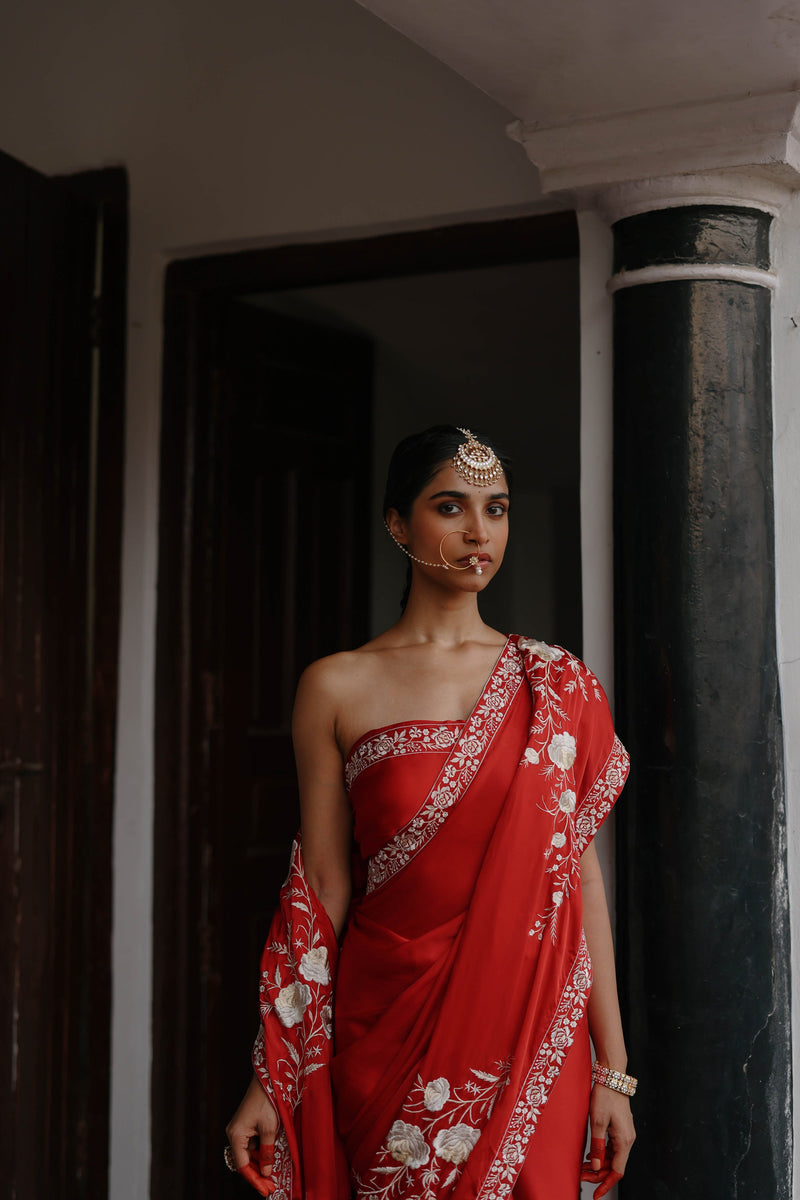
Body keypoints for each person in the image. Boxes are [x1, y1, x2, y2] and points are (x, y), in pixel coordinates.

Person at [226, 425, 636, 1199]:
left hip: (530, 1033)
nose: (480, 533)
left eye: (498, 508)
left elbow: (579, 886)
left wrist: (612, 1067)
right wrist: (271, 1071)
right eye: (451, 507)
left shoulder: (556, 686)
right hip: (387, 1031)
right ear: (396, 523)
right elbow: (321, 888)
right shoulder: (337, 686)